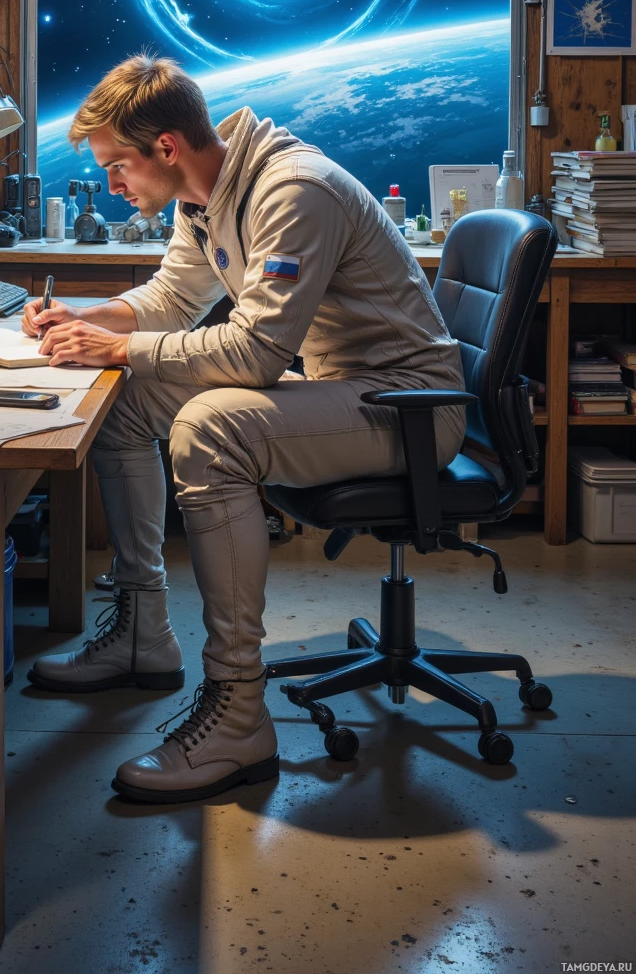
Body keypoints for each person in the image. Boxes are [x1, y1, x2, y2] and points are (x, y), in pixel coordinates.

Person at [23, 56, 466, 804]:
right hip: (341, 390)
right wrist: (84, 319)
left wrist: (119, 348)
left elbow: (257, 353)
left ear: (167, 147)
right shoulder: (205, 196)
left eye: (117, 166)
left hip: (409, 409)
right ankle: (142, 631)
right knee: (126, 405)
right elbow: (172, 299)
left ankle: (237, 713)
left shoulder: (294, 191)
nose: (112, 184)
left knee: (209, 428)